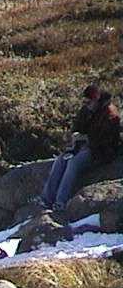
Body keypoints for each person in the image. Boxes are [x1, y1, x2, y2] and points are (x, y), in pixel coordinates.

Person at [40, 84, 121, 212]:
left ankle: (60, 201)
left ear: (96, 100)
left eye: (89, 102)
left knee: (73, 163)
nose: (86, 104)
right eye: (85, 102)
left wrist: (86, 139)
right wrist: (75, 137)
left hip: (101, 151)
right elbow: (77, 126)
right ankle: (46, 200)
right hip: (84, 146)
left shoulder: (110, 113)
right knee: (61, 160)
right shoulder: (87, 110)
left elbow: (106, 140)